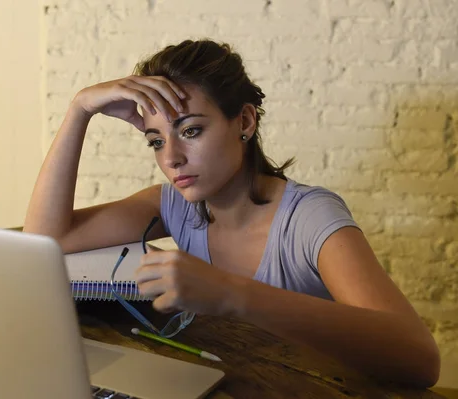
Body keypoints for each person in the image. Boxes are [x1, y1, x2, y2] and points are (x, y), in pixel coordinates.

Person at [23, 39, 440, 387]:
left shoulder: (310, 218)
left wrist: (228, 293)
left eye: (190, 131)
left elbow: (420, 360)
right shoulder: (173, 206)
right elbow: (47, 239)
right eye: (155, 140)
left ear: (243, 120)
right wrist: (80, 110)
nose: (172, 158)